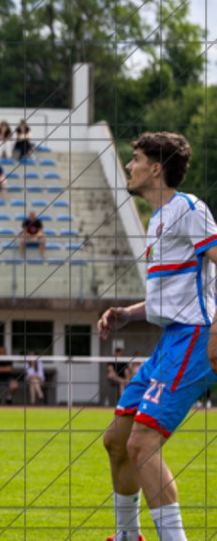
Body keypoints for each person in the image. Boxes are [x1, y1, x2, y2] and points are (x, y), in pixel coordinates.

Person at [101, 132, 217, 541]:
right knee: (116, 440)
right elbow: (170, 297)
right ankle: (128, 537)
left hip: (194, 338)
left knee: (141, 443)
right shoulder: (158, 220)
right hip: (171, 339)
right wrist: (127, 314)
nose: (129, 166)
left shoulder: (188, 209)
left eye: (135, 158)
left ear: (155, 167)